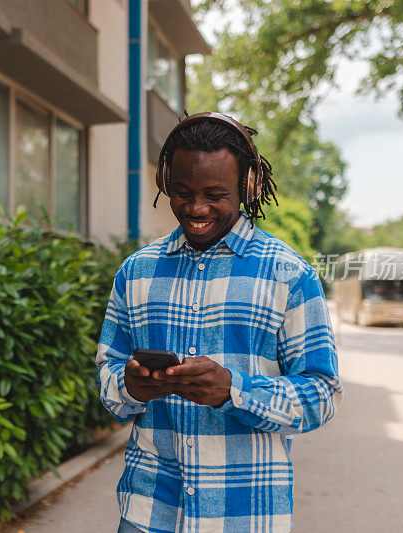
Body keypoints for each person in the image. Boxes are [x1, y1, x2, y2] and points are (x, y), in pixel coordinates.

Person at [96, 112, 343, 533]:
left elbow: (322, 395)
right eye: (182, 193)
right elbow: (107, 377)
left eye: (215, 194)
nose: (196, 208)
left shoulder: (289, 274)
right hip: (146, 512)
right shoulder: (135, 272)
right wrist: (130, 386)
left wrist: (235, 390)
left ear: (247, 186)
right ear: (165, 185)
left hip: (245, 517)